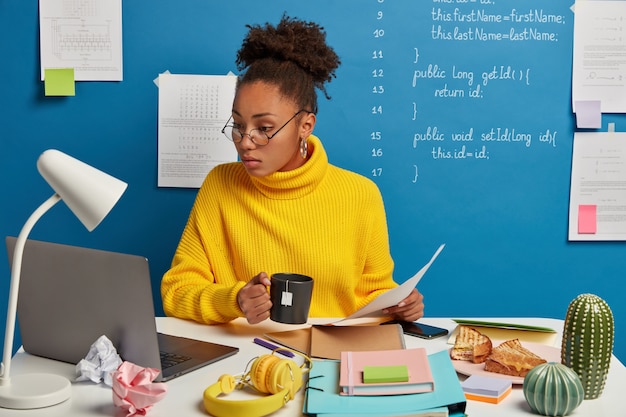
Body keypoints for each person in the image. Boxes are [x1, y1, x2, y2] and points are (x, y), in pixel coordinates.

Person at [161, 14, 424, 325]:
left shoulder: (361, 194)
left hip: (334, 357)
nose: (245, 142)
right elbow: (176, 293)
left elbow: (375, 295)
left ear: (306, 125)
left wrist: (401, 305)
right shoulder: (220, 185)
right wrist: (233, 299)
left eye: (265, 127)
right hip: (248, 355)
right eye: (238, 125)